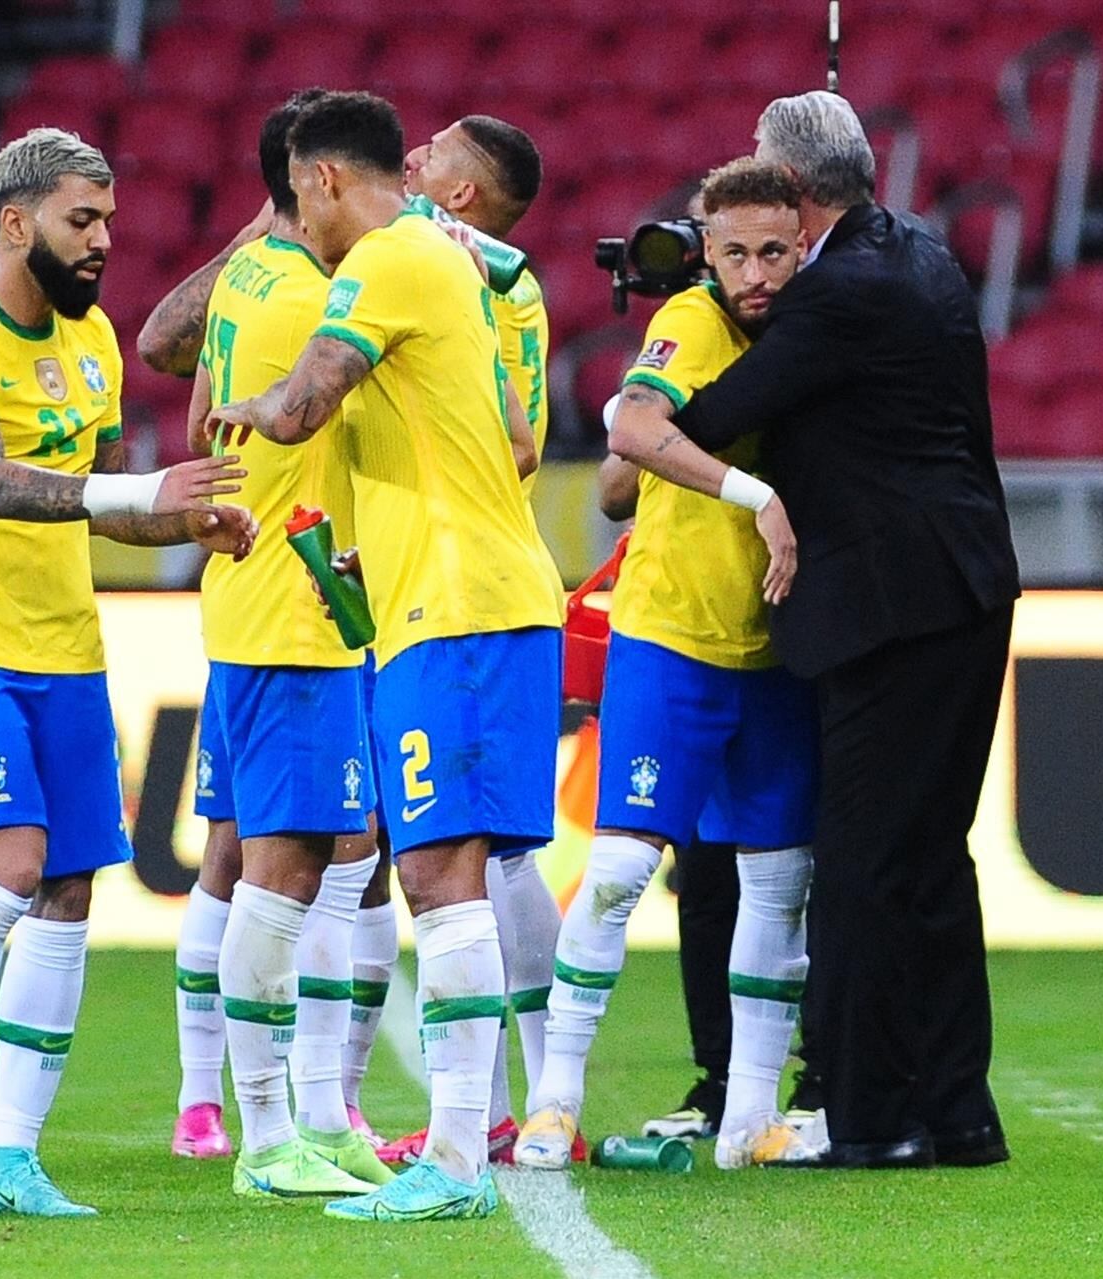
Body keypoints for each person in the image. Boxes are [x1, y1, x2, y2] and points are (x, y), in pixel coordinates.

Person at [608, 92, 1021, 1170]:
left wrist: (664, 372)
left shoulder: (832, 296)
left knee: (861, 865)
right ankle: (956, 1112)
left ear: (793, 190)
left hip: (891, 610)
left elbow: (685, 427)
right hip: (962, 590)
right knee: (929, 859)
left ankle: (869, 1115)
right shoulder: (919, 250)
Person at [0, 127, 257, 1220]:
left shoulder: (89, 350)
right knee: (6, 862)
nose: (100, 244)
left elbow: (83, 504)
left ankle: (7, 1158)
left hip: (67, 652)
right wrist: (142, 494)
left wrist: (187, 521)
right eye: (80, 221)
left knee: (68, 889)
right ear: (15, 220)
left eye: (107, 224)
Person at [209, 91, 564, 1223]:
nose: (293, 235)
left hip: (458, 608)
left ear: (319, 181)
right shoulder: (439, 261)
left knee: (436, 873)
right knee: (441, 871)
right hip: (450, 602)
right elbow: (497, 433)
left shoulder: (385, 260)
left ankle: (457, 1156)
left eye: (295, 209)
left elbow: (307, 399)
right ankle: (460, 1144)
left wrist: (244, 407)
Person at [515, 157, 825, 1173]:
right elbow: (631, 433)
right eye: (730, 252)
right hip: (669, 641)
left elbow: (624, 467)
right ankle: (554, 1102)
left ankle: (747, 1120)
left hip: (773, 647)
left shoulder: (821, 324)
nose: (753, 273)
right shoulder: (692, 321)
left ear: (803, 239)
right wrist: (754, 495)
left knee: (774, 885)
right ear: (704, 249)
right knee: (614, 874)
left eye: (772, 250)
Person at [158, 89, 396, 1200]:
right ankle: (266, 1137)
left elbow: (197, 392)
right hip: (299, 609)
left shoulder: (249, 274)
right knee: (283, 873)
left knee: (313, 859)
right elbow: (297, 411)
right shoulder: (315, 295)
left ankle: (305, 1116)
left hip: (262, 594)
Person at [373, 111, 558, 1170]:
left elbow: (514, 446)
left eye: (428, 155)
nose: (408, 159)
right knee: (452, 858)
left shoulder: (496, 287)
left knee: (480, 854)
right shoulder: (400, 259)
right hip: (402, 585)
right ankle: (493, 1106)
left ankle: (528, 1098)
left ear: (460, 199)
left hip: (467, 594)